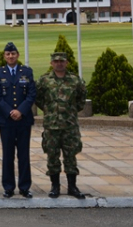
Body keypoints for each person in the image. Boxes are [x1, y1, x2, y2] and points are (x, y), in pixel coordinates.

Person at [36, 52, 87, 200]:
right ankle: (55, 186)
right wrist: (50, 111)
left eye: (62, 61)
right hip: (51, 126)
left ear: (67, 63)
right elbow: (38, 99)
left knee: (70, 157)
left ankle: (72, 186)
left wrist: (69, 112)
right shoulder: (44, 80)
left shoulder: (75, 80)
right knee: (52, 156)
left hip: (69, 126)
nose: (59, 64)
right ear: (51, 63)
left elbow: (81, 100)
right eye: (56, 61)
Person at [0, 41, 36, 199]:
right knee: (8, 155)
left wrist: (21, 111)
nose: (10, 56)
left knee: (24, 155)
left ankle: (24, 187)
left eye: (13, 54)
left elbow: (31, 94)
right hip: (7, 120)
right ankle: (8, 187)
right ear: (4, 56)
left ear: (17, 55)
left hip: (23, 120)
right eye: (8, 54)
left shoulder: (26, 71)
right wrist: (11, 111)